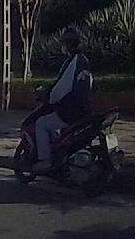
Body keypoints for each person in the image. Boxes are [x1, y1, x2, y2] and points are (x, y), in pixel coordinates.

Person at [33, 28, 93, 172]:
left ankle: (45, 160)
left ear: (68, 44)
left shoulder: (73, 62)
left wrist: (48, 97)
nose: (63, 47)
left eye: (64, 44)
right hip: (82, 109)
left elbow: (60, 89)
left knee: (41, 124)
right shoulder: (83, 60)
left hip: (70, 110)